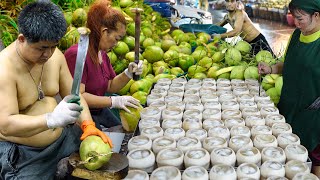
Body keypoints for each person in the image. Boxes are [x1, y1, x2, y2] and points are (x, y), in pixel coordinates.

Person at [0, 1, 112, 179]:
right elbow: (5, 125)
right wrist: (50, 119)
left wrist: (88, 125)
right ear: (22, 39)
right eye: (42, 48)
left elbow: (74, 94)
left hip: (63, 139)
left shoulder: (55, 56)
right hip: (26, 154)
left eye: (53, 46)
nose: (48, 54)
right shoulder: (4, 69)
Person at [258, 0, 320, 177]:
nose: (296, 23)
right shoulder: (296, 35)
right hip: (290, 106)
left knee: (314, 158)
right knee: (289, 154)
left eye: (300, 19)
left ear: (316, 15)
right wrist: (271, 69)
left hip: (313, 115)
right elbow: (290, 65)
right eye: (294, 18)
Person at [65, 0, 143, 131]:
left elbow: (110, 86)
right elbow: (79, 96)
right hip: (81, 118)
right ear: (104, 31)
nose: (117, 44)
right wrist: (113, 101)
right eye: (117, 38)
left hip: (99, 111)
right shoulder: (77, 55)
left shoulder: (102, 54)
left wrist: (127, 73)